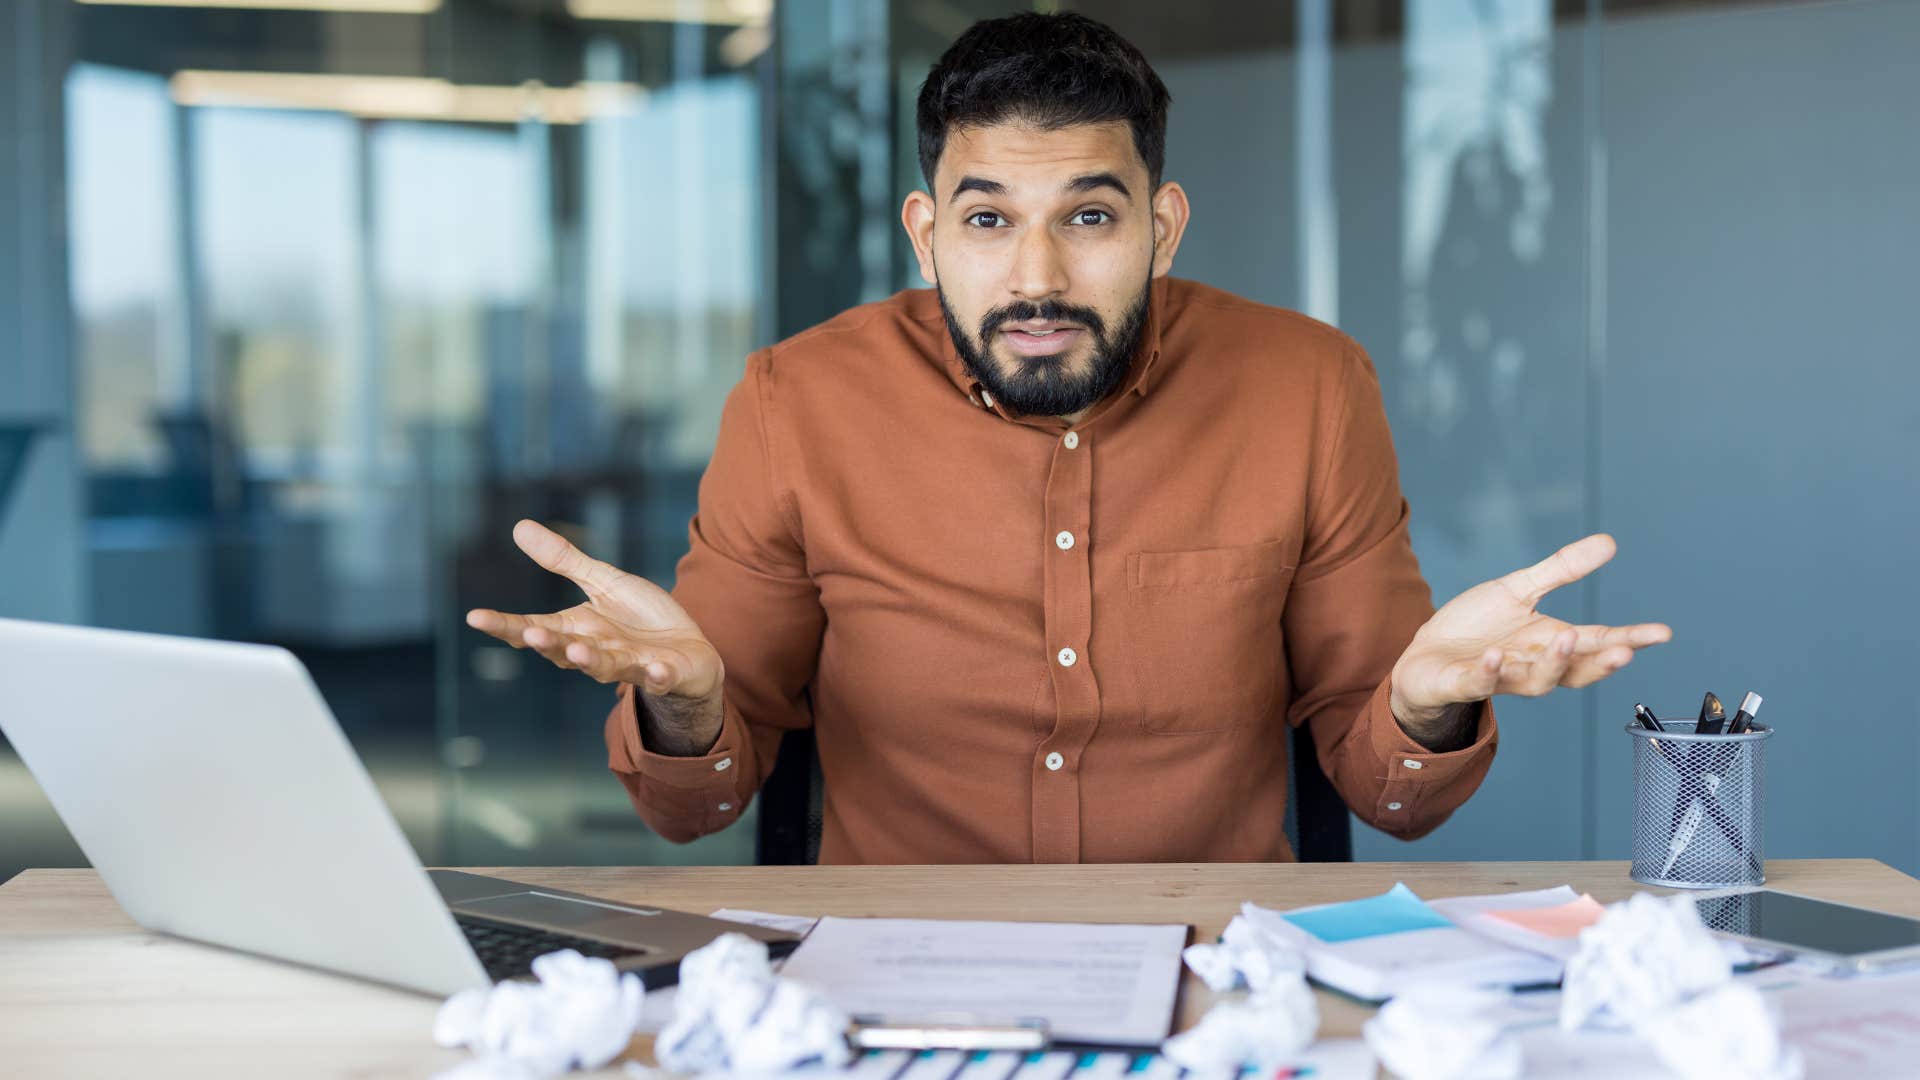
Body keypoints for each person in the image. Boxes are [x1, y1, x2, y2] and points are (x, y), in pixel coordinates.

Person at [466, 12, 1669, 864]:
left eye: (1090, 215)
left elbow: (1388, 797)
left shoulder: (1311, 388)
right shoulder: (796, 404)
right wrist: (685, 706)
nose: (1036, 276)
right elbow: (697, 807)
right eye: (989, 219)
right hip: (898, 974)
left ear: (1163, 225)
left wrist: (1424, 698)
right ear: (929, 235)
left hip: (1216, 974)